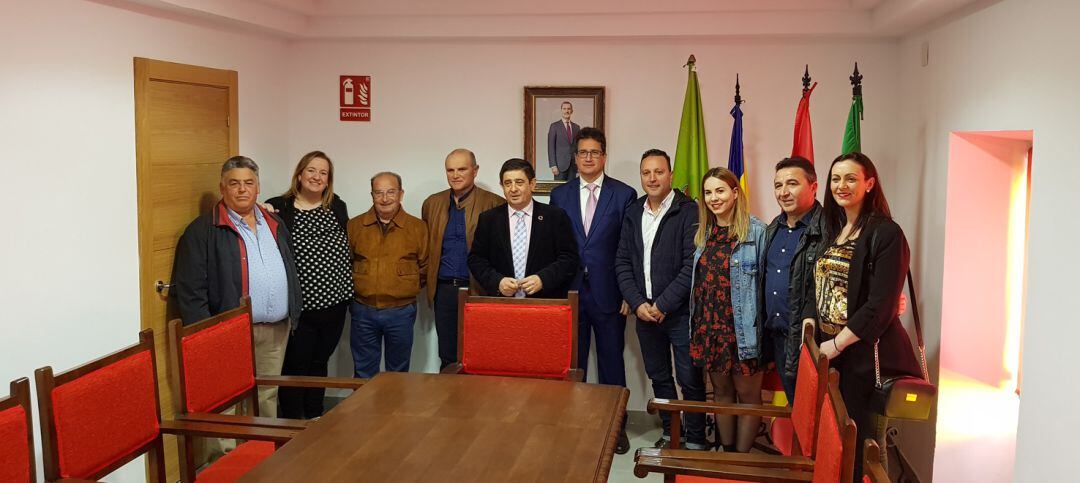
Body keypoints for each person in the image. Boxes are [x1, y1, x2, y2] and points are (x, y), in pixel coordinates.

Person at [810, 152, 921, 481]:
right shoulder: (837, 229)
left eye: (850, 178)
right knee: (844, 444)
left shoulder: (886, 233)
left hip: (865, 357)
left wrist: (836, 345)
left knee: (867, 450)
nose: (841, 186)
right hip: (836, 355)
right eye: (835, 179)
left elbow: (882, 304)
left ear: (870, 184)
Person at [172, 155, 302, 418]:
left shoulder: (274, 222)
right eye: (234, 183)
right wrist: (206, 336)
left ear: (258, 187)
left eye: (249, 183)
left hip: (276, 330)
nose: (242, 189)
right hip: (228, 332)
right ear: (222, 188)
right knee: (225, 400)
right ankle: (226, 458)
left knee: (267, 395)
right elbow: (190, 292)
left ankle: (262, 453)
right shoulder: (202, 231)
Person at [549, 128, 637, 454]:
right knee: (574, 364)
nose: (588, 158)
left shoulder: (623, 194)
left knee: (612, 362)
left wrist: (630, 292)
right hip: (570, 293)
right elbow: (555, 246)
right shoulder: (560, 196)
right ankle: (576, 424)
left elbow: (629, 248)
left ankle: (616, 427)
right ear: (575, 157)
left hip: (609, 292)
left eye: (594, 152)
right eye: (583, 152)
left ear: (604, 156)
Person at [614, 149, 707, 450]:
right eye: (646, 173)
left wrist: (663, 304)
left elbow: (690, 265)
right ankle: (671, 432)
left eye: (658, 172)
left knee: (689, 379)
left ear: (670, 175)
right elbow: (623, 262)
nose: (652, 178)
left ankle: (695, 438)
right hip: (644, 313)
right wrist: (638, 302)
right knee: (659, 377)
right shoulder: (633, 212)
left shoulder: (688, 210)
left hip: (678, 313)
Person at [265, 151, 352, 419]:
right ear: (300, 174)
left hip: (335, 304)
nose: (316, 177)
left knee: (319, 362)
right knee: (295, 365)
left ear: (329, 181)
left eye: (323, 173)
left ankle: (315, 416)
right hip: (300, 308)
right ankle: (293, 420)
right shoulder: (279, 207)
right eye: (311, 170)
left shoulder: (337, 206)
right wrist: (263, 211)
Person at [689, 167, 767, 453]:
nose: (713, 198)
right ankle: (726, 451)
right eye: (708, 192)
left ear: (735, 193)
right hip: (711, 329)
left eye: (720, 190)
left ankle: (741, 460)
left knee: (748, 398)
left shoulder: (757, 232)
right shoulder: (704, 233)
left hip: (743, 331)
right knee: (721, 394)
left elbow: (764, 287)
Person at [421, 148, 504, 369]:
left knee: (481, 354)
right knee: (448, 355)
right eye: (450, 170)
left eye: (462, 169)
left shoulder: (495, 203)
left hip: (480, 289)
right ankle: (448, 402)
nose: (455, 175)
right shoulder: (432, 204)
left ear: (475, 171)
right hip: (445, 290)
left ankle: (478, 403)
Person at [347, 172, 429, 379]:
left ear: (401, 194)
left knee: (398, 372)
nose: (385, 199)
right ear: (372, 195)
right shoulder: (354, 226)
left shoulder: (418, 227)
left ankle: (393, 411)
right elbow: (346, 264)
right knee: (363, 370)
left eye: (391, 192)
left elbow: (425, 266)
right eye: (379, 193)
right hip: (362, 310)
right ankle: (362, 411)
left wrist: (402, 288)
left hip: (400, 312)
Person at [761, 156, 826, 402]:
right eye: (778, 185)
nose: (784, 192)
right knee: (797, 410)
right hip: (779, 339)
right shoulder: (771, 230)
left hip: (813, 342)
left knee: (820, 415)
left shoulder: (830, 228)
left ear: (813, 186)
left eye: (792, 184)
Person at [468, 158, 579, 298]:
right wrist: (498, 282)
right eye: (507, 183)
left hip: (544, 303)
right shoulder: (489, 219)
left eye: (519, 182)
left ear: (532, 184)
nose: (513, 189)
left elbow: (569, 258)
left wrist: (543, 279)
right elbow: (476, 260)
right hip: (502, 304)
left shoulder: (555, 216)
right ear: (502, 186)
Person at [547, 101, 581, 181]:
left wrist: (579, 165)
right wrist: (553, 165)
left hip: (573, 166)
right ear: (561, 110)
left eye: (569, 109)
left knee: (572, 189)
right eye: (564, 109)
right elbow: (550, 147)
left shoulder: (576, 127)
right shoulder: (554, 126)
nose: (566, 111)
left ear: (572, 111)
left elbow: (578, 148)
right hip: (559, 166)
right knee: (559, 189)